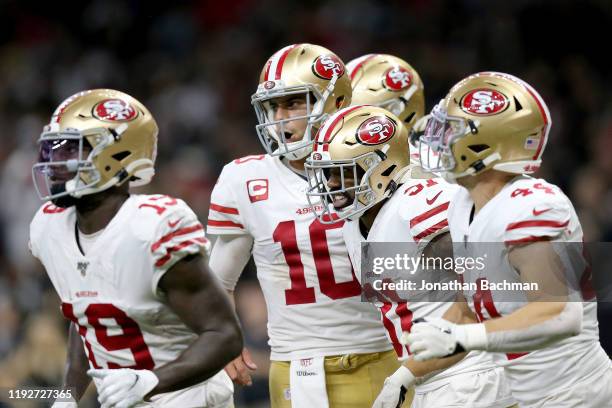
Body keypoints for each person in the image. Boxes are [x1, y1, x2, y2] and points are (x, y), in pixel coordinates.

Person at [207, 44, 401, 408]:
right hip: (298, 365)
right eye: (272, 106)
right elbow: (218, 279)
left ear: (336, 103)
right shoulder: (245, 179)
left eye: (294, 102)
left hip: (387, 353)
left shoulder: (380, 163)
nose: (279, 117)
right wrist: (224, 337)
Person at [405, 71, 612, 407]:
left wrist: (463, 339)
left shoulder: (530, 204)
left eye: (450, 131)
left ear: (485, 144)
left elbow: (560, 315)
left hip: (576, 394)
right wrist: (407, 374)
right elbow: (470, 308)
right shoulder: (464, 203)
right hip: (527, 395)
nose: (437, 139)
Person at [29, 89, 242, 408]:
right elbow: (87, 316)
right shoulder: (50, 226)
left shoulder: (152, 228)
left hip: (186, 398)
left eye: (72, 150)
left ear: (118, 156)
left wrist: (152, 380)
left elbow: (225, 336)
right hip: (124, 399)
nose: (55, 163)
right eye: (54, 150)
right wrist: (69, 395)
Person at [305, 104, 515, 408]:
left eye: (344, 172)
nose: (332, 184)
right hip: (433, 378)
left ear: (383, 167)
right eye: (327, 173)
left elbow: (481, 297)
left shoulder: (417, 208)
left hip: (470, 377)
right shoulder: (355, 221)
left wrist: (406, 374)